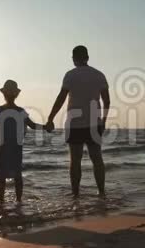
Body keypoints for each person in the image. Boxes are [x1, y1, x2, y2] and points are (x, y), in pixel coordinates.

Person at [46, 45, 110, 197]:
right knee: (97, 158)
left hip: (74, 123)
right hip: (94, 122)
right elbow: (107, 101)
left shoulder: (70, 75)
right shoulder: (99, 75)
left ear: (74, 59)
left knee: (75, 160)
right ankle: (101, 192)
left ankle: (75, 195)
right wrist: (104, 120)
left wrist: (50, 118)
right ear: (87, 57)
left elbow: (61, 98)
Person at [0, 79, 46, 203]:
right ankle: (19, 202)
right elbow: (33, 126)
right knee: (17, 176)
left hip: (0, 148)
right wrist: (46, 127)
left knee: (1, 177)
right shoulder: (20, 111)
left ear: (4, 94)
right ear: (16, 95)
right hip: (16, 148)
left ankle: (1, 203)